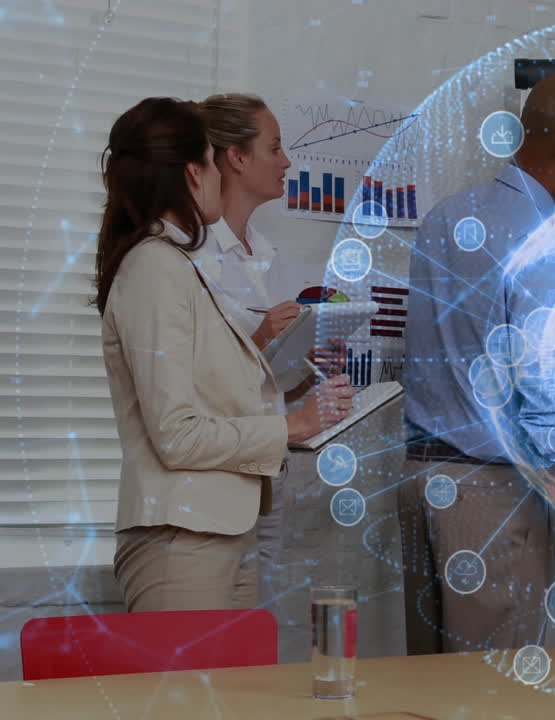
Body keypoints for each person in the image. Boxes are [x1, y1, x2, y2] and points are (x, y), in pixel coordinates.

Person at [96, 97, 353, 612]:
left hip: (220, 529)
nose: (217, 174)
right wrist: (294, 425)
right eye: (212, 162)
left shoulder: (173, 263)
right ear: (195, 172)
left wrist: (293, 382)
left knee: (235, 693)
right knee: (186, 693)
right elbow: (177, 434)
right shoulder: (155, 265)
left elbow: (213, 394)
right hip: (182, 538)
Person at [398, 74, 555, 654]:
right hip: (490, 500)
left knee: (429, 693)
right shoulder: (548, 248)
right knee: (493, 701)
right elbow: (550, 419)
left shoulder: (445, 218)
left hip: (421, 483)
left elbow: (452, 344)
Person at [195, 92, 342, 604]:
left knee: (257, 642)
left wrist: (304, 365)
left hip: (270, 477)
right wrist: (259, 339)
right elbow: (192, 383)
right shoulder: (189, 256)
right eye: (275, 148)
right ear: (236, 157)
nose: (287, 162)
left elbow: (264, 380)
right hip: (215, 484)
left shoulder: (267, 253)